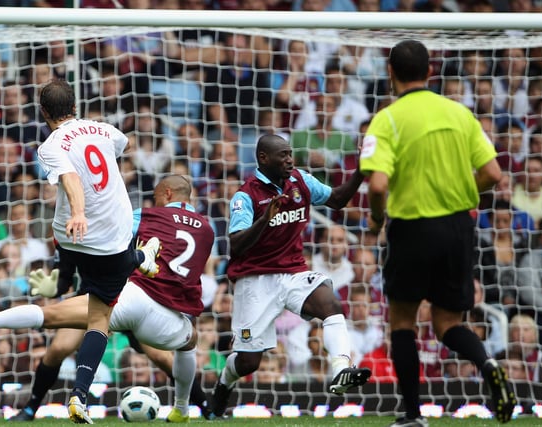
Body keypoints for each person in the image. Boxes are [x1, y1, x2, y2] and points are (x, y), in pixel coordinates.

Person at [0, 175, 215, 423]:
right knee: (58, 349)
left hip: (123, 294)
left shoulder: (133, 217)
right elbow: (66, 274)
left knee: (158, 358)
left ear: (167, 194)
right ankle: (31, 408)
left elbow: (101, 245)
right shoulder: (207, 228)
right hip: (149, 305)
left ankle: (202, 405)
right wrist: (58, 284)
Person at [359, 39, 516, 426]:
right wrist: (459, 191)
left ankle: (413, 415)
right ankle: (487, 361)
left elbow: (377, 186)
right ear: (430, 72)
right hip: (459, 228)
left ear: (390, 73)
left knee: (402, 323)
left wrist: (377, 221)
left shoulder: (388, 119)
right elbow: (494, 174)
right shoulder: (459, 114)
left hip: (412, 228)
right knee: (448, 324)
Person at [211, 134, 371, 418]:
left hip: (293, 271)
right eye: (283, 155)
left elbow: (336, 199)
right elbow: (235, 245)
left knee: (330, 305)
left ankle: (340, 370)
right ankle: (223, 385)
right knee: (248, 363)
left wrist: (360, 171)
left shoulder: (301, 180)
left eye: (290, 154)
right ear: (263, 158)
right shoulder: (245, 196)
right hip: (255, 281)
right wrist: (264, 220)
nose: (289, 159)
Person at [35, 79, 160, 424]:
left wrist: (76, 213)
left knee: (67, 256)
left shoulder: (49, 146)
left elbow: (71, 177)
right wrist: (81, 210)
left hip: (71, 238)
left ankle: (61, 284)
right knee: (99, 320)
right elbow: (122, 144)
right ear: (74, 107)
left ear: (43, 112)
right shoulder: (104, 130)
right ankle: (79, 395)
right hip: (111, 240)